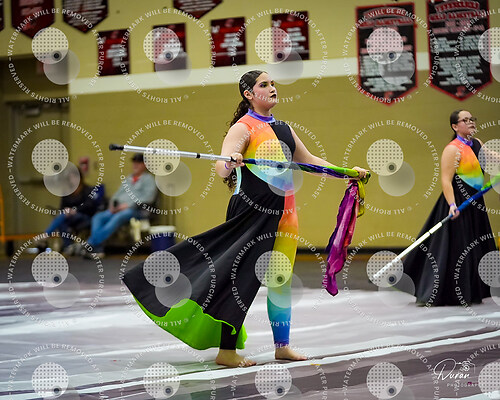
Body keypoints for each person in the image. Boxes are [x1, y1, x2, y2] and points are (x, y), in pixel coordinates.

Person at [123, 71, 368, 367]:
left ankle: (282, 346)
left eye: (273, 83)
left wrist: (347, 172)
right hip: (251, 214)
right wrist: (231, 161)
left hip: (285, 215)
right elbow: (220, 168)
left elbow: (310, 162)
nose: (272, 88)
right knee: (237, 279)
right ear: (249, 94)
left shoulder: (284, 129)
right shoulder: (243, 127)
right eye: (264, 85)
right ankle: (226, 350)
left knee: (281, 281)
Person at [404, 110, 497, 306]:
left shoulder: (477, 143)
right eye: (465, 120)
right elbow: (446, 180)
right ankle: (451, 293)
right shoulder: (452, 149)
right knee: (458, 248)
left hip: (475, 203)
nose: (471, 122)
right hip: (458, 202)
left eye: (472, 119)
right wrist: (452, 205)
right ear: (455, 126)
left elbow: (494, 157)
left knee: (476, 245)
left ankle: (473, 291)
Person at [84, 154, 157, 258]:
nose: (135, 165)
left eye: (139, 163)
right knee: (98, 217)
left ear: (145, 165)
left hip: (136, 211)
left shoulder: (149, 179)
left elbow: (149, 198)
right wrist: (112, 206)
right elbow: (116, 195)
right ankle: (97, 248)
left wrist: (128, 205)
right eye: (134, 162)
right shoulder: (128, 179)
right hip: (118, 209)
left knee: (118, 217)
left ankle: (90, 244)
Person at [42, 167, 101, 254]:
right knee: (62, 220)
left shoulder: (87, 190)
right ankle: (68, 246)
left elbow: (89, 206)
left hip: (84, 216)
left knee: (62, 217)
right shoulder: (67, 191)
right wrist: (67, 211)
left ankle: (45, 235)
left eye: (75, 177)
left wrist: (74, 210)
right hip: (69, 217)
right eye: (71, 177)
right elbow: (62, 207)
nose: (73, 179)